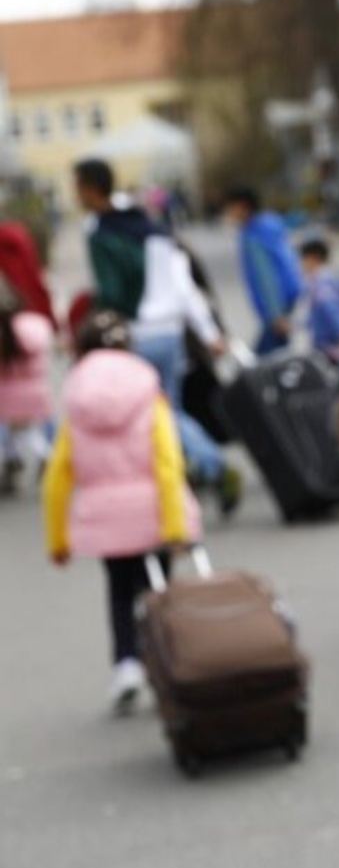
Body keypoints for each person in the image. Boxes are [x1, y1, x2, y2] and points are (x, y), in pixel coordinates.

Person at [41, 310, 201, 713]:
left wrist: (59, 538)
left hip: (105, 515)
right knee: (160, 592)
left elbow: (59, 474)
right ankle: (168, 662)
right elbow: (167, 461)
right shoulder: (147, 390)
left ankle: (126, 663)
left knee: (119, 590)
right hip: (152, 510)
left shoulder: (76, 400)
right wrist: (176, 524)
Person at [73, 159, 241, 516]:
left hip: (137, 334)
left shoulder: (103, 235)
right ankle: (186, 477)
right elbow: (185, 289)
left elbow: (112, 293)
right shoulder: (150, 228)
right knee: (171, 408)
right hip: (172, 334)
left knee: (152, 414)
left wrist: (97, 327)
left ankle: (209, 468)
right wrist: (209, 332)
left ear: (90, 187)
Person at [223, 186, 302, 356]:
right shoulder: (270, 224)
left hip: (275, 306)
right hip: (288, 297)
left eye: (231, 207)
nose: (229, 212)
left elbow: (265, 276)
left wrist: (276, 315)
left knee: (266, 364)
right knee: (278, 356)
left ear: (242, 206)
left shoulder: (253, 235)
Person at [0, 281, 54, 494]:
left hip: (7, 395)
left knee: (9, 434)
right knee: (29, 433)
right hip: (36, 393)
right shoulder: (34, 327)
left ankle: (12, 460)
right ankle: (46, 457)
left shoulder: (5, 335)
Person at [298, 236, 339, 362]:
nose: (301, 263)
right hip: (326, 348)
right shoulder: (321, 281)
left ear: (314, 258)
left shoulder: (322, 285)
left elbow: (334, 318)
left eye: (304, 258)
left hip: (329, 351)